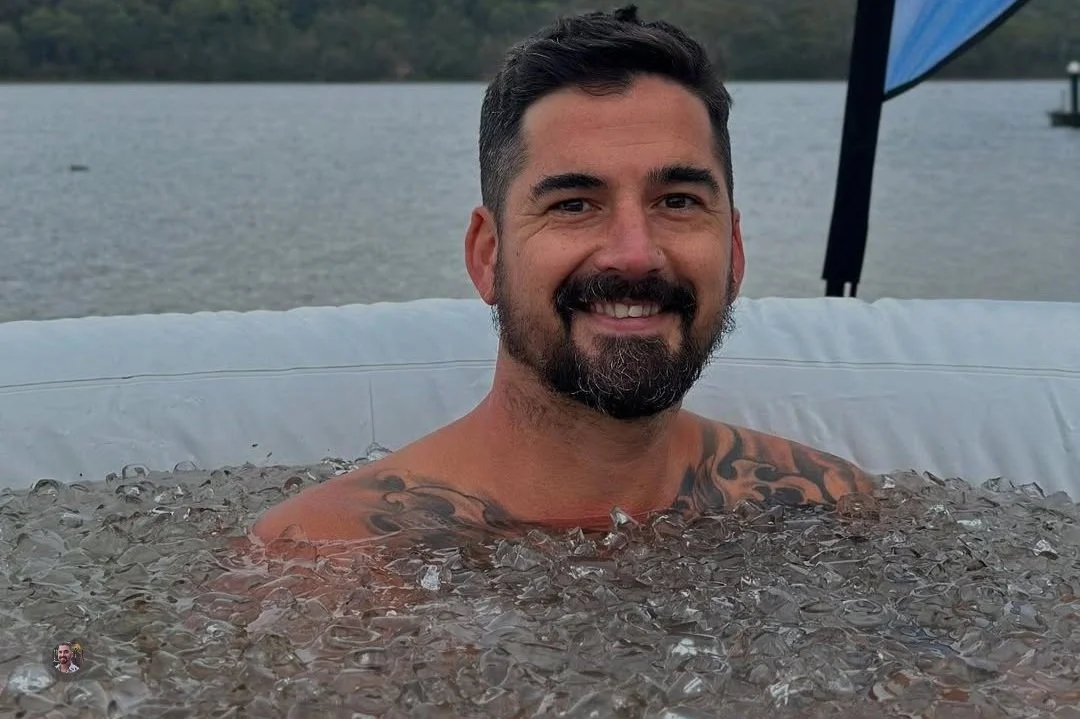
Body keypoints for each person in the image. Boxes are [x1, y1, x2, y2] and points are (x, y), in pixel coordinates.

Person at [252, 5, 876, 547]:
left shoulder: (829, 508)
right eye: (574, 204)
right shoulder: (328, 556)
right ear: (487, 256)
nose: (635, 254)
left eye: (678, 201)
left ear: (733, 252)